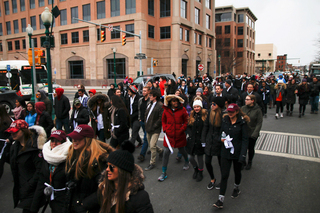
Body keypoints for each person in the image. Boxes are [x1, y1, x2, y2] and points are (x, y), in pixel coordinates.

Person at [65, 124, 114, 213]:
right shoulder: (73, 155)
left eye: (78, 138)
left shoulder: (98, 161)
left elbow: (105, 188)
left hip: (90, 208)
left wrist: (84, 204)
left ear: (87, 140)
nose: (74, 140)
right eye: (73, 137)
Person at [99, 141, 154, 213]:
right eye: (107, 165)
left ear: (123, 171)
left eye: (112, 166)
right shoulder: (104, 187)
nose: (107, 169)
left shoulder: (139, 197)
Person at [213, 104, 249, 209]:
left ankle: (236, 187)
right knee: (224, 175)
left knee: (237, 172)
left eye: (232, 112)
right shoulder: (225, 121)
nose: (230, 113)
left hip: (237, 153)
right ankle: (220, 199)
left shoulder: (242, 123)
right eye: (228, 111)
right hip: (225, 152)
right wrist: (221, 138)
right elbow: (221, 133)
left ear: (237, 112)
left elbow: (245, 140)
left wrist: (243, 155)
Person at [6, 120, 46, 213]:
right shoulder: (14, 147)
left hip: (32, 191)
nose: (12, 134)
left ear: (23, 131)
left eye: (15, 131)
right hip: (22, 189)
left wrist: (30, 184)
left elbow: (40, 170)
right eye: (11, 132)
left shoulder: (35, 147)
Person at [32, 130, 72, 213]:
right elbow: (42, 180)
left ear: (64, 142)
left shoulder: (71, 157)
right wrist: (34, 207)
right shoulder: (47, 156)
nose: (54, 143)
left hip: (66, 202)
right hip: (52, 200)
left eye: (58, 141)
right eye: (52, 141)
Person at [158, 95, 189, 182]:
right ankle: (163, 172)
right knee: (166, 152)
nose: (175, 103)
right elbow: (163, 120)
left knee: (182, 150)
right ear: (170, 102)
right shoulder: (166, 110)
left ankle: (187, 161)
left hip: (179, 135)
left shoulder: (183, 110)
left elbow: (186, 121)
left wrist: (182, 129)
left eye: (177, 101)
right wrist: (165, 129)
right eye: (173, 101)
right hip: (169, 136)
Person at [202, 97, 225, 190]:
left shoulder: (224, 115)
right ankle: (212, 178)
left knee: (221, 164)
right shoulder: (209, 113)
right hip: (209, 141)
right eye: (211, 104)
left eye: (214, 104)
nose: (212, 105)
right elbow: (205, 127)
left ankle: (223, 180)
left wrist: (220, 139)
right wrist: (203, 140)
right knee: (207, 161)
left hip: (219, 142)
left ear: (218, 105)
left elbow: (224, 130)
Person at [186, 97, 208, 182]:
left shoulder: (204, 116)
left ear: (201, 107)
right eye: (195, 107)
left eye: (198, 107)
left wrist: (204, 139)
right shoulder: (192, 115)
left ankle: (200, 172)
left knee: (200, 158)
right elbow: (188, 126)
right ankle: (195, 169)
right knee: (190, 157)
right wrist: (190, 134)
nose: (196, 108)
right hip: (192, 139)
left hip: (200, 140)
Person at [240, 95, 263, 170]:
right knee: (243, 147)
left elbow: (259, 123)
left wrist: (255, 134)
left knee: (250, 148)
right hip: (243, 131)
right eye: (245, 99)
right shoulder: (243, 108)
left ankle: (250, 161)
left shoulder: (257, 110)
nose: (245, 100)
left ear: (252, 101)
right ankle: (243, 161)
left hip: (252, 132)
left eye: (247, 99)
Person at [144, 90, 164, 171]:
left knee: (152, 146)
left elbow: (160, 118)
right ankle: (160, 151)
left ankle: (152, 163)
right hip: (148, 127)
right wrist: (146, 122)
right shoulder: (149, 104)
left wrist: (155, 126)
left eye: (151, 95)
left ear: (155, 96)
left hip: (155, 129)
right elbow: (146, 114)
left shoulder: (160, 105)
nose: (149, 96)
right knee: (150, 144)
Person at [137, 86, 151, 162]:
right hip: (142, 121)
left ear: (149, 92)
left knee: (145, 138)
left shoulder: (150, 101)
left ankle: (142, 155)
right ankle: (159, 150)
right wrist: (139, 118)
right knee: (148, 138)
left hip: (148, 122)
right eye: (143, 91)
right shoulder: (140, 100)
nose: (143, 92)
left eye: (145, 91)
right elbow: (139, 110)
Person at [0, 104, 12, 179]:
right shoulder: (9, 120)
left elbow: (13, 133)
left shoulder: (6, 121)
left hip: (4, 145)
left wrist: (9, 139)